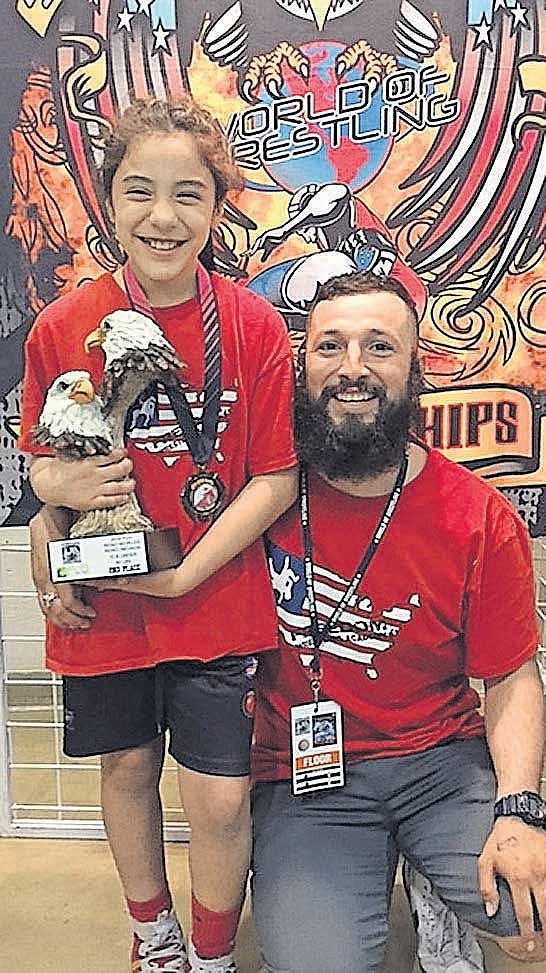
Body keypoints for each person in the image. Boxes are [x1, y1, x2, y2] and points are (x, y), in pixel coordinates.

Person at [19, 95, 297, 973]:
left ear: (218, 209)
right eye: (140, 191)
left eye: (189, 195)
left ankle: (212, 953)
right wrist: (49, 490)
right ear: (109, 200)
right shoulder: (65, 324)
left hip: (217, 597)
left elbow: (276, 474)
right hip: (108, 609)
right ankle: (155, 936)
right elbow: (43, 462)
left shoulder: (251, 325)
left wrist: (184, 578)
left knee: (218, 799)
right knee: (128, 772)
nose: (163, 217)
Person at [251, 271, 546, 972]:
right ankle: (422, 884)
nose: (353, 368)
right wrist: (54, 529)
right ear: (301, 365)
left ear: (415, 370)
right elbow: (152, 523)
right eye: (330, 346)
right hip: (306, 778)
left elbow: (509, 675)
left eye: (379, 346)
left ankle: (436, 883)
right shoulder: (254, 501)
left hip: (440, 763)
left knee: (533, 915)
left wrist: (519, 812)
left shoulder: (476, 514)